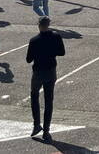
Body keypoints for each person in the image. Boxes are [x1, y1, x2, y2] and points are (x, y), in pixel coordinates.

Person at [26, 15, 65, 143]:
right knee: (49, 100)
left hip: (38, 71)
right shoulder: (56, 36)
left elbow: (28, 59)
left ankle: (36, 123)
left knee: (34, 95)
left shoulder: (34, 40)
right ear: (48, 25)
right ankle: (47, 130)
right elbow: (62, 52)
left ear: (39, 25)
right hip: (50, 70)